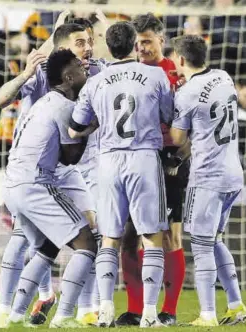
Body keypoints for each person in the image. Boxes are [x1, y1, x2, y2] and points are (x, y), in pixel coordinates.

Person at [0, 19, 106, 327]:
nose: (88, 49)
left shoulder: (95, 70)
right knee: (81, 242)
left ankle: (76, 310)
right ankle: (50, 313)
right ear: (64, 53)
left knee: (55, 242)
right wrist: (87, 128)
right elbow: (1, 100)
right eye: (80, 43)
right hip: (42, 175)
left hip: (32, 173)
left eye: (90, 41)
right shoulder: (45, 76)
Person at [69, 21, 174, 328]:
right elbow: (169, 115)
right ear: (133, 44)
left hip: (107, 161)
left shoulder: (95, 82)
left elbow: (75, 128)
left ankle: (104, 310)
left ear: (108, 46)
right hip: (143, 158)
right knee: (152, 237)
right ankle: (151, 314)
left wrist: (97, 124)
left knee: (110, 239)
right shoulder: (155, 75)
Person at [115, 13, 190, 327]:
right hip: (133, 160)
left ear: (161, 40)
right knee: (129, 236)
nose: (141, 47)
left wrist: (179, 157)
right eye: (137, 42)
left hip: (169, 159)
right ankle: (134, 308)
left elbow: (191, 123)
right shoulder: (126, 72)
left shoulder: (176, 73)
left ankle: (169, 310)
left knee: (169, 236)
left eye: (146, 41)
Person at [170, 35, 246, 326]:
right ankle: (236, 304)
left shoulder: (187, 93)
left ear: (180, 59)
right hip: (233, 172)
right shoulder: (223, 77)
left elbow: (178, 139)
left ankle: (207, 314)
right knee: (215, 240)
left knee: (201, 245)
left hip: (207, 176)